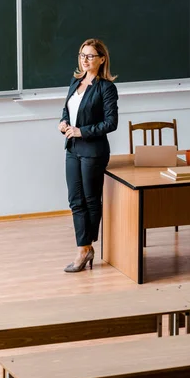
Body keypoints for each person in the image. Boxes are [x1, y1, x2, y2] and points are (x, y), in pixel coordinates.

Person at [58, 38, 118, 272]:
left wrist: (81, 131)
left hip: (93, 151)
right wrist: (63, 123)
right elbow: (67, 109)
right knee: (75, 200)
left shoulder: (106, 88)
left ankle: (84, 247)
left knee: (91, 200)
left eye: (90, 55)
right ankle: (85, 246)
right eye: (82, 55)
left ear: (102, 59)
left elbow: (111, 122)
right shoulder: (76, 82)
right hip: (72, 149)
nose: (85, 59)